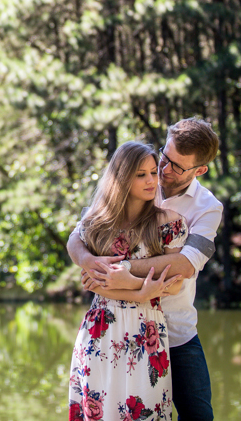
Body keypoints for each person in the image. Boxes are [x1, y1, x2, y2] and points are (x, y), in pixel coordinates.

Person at [68, 117, 222, 421]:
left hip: (174, 330)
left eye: (176, 166)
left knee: (198, 414)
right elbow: (79, 236)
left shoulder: (207, 207)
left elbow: (183, 265)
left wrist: (122, 272)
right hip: (113, 328)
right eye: (165, 156)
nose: (162, 172)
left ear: (199, 170)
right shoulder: (133, 181)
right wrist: (87, 260)